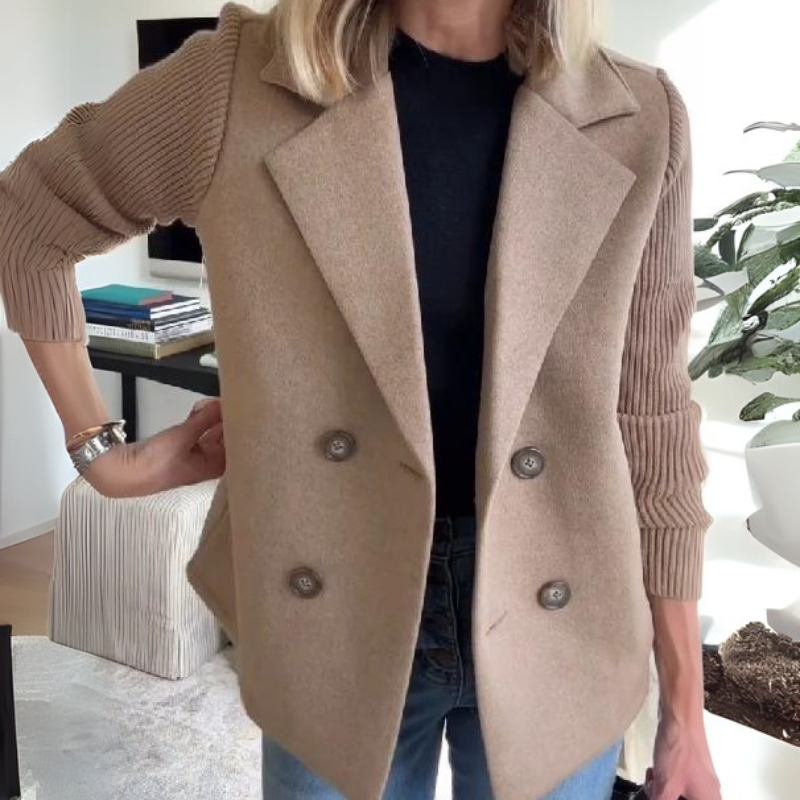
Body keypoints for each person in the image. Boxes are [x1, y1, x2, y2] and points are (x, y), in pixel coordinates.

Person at [0, 1, 724, 799]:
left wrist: (684, 710)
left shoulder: (639, 116)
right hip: (335, 608)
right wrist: (106, 458)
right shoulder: (236, 86)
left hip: (568, 610)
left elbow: (653, 413)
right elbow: (28, 217)